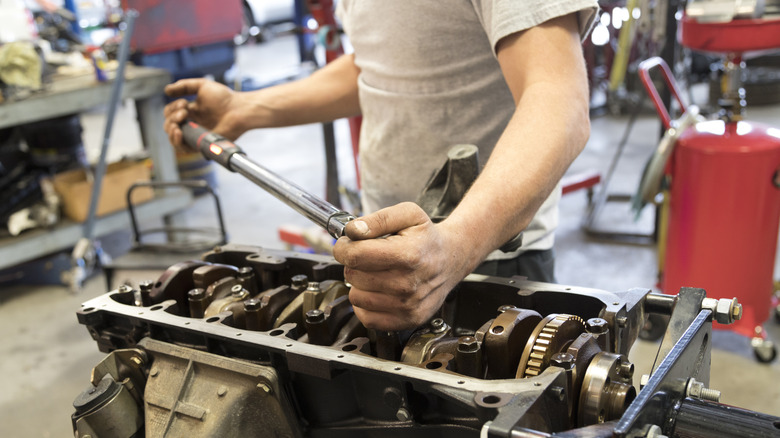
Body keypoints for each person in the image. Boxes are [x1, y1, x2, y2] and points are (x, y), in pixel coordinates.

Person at [163, 1, 598, 332]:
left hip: (487, 259)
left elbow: (559, 97)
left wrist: (454, 248)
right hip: (380, 256)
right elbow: (380, 63)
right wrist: (247, 108)